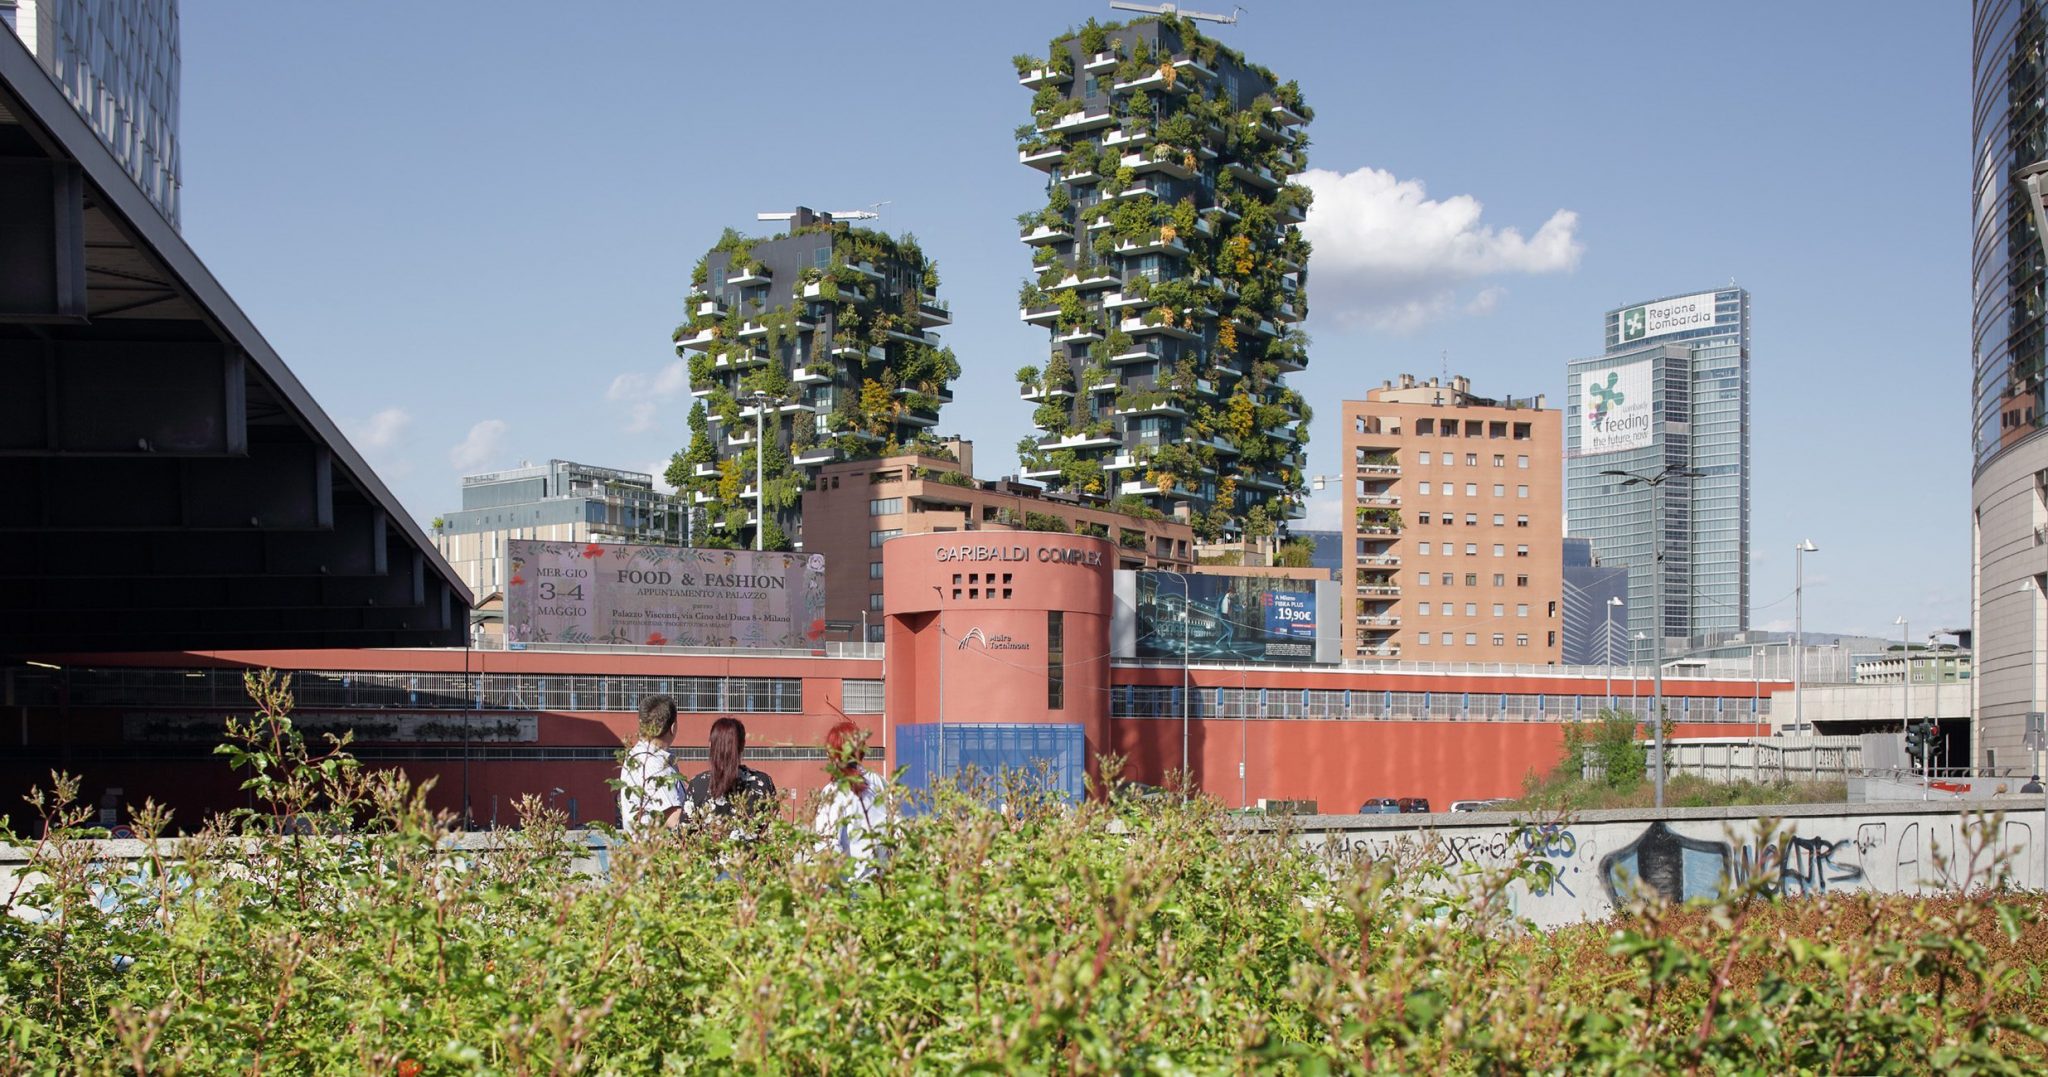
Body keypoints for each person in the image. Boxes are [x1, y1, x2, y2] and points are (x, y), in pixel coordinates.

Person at [812, 720, 890, 874]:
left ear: (832, 754)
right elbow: (894, 828)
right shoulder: (879, 782)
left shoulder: (834, 791)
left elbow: (827, 845)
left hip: (851, 888)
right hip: (882, 885)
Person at [684, 716, 777, 834]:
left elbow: (684, 838)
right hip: (751, 852)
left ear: (710, 745)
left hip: (707, 851)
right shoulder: (762, 783)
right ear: (743, 745)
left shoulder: (697, 785)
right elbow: (775, 835)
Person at [618, 695, 683, 835]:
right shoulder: (655, 764)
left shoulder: (637, 756)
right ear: (673, 727)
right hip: (659, 852)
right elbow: (674, 819)